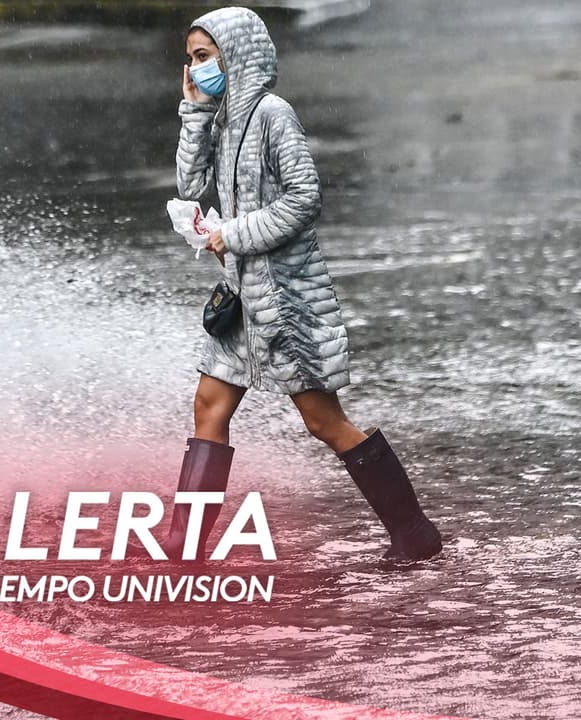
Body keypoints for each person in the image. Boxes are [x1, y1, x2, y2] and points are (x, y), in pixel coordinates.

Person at [151, 6, 442, 563]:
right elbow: (190, 185)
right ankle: (183, 546)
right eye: (191, 59)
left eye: (204, 56)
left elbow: (305, 199)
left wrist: (234, 234)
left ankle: (414, 533)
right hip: (241, 299)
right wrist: (195, 112)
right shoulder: (224, 118)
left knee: (323, 421)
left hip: (287, 301)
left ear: (236, 55)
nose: (196, 68)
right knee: (209, 404)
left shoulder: (272, 114)